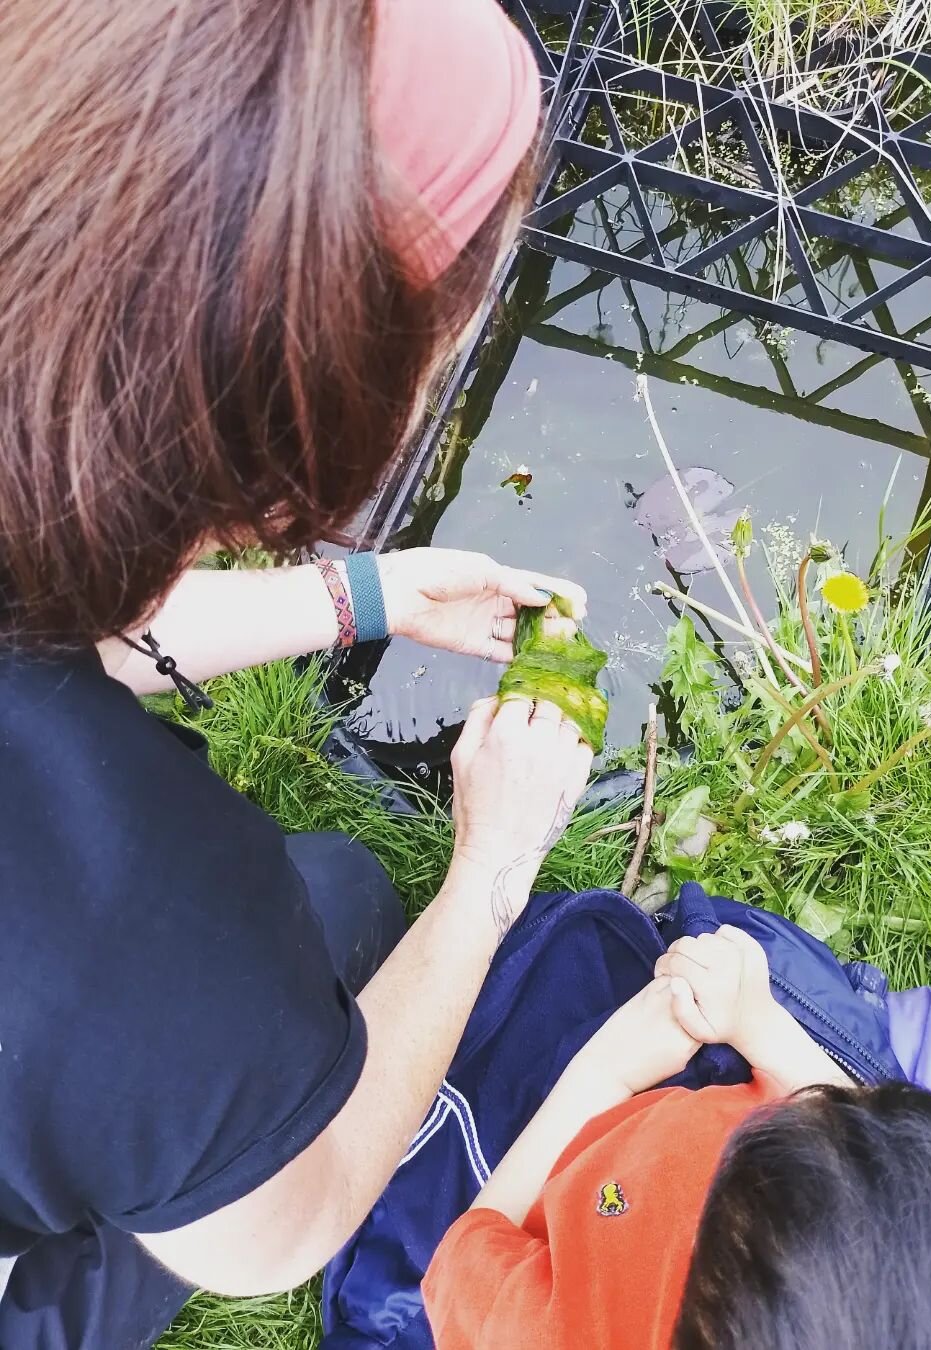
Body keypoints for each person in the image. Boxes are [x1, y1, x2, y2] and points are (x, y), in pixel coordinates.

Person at [0, 3, 596, 1348]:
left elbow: (47, 619)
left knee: (317, 905)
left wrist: (360, 593)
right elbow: (292, 1221)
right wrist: (492, 868)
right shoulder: (131, 940)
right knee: (341, 909)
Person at [422, 927, 931, 1350]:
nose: (830, 1119)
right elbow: (867, 1132)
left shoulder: (562, 1333)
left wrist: (605, 1070)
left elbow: (469, 1248)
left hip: (594, 1170)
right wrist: (760, 1026)